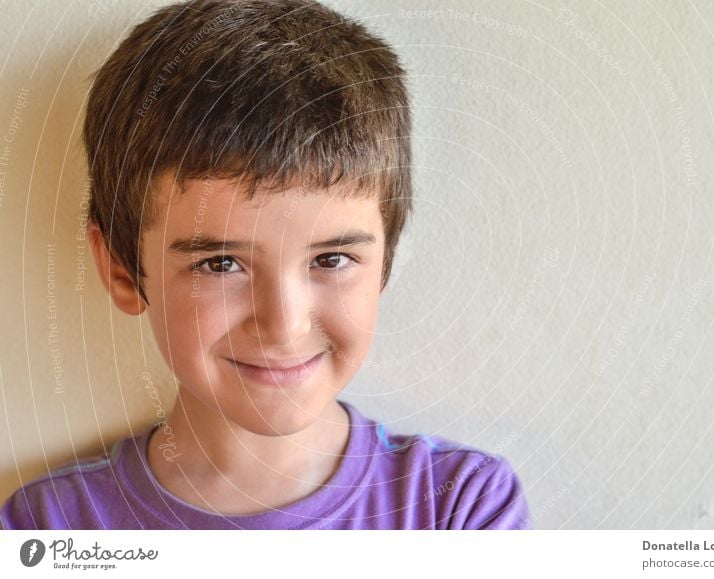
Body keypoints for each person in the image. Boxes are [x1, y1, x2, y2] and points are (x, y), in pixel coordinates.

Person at [0, 0, 530, 530]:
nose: (283, 324)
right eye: (222, 263)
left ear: (384, 262)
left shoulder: (460, 508)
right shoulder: (52, 528)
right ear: (121, 270)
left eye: (332, 259)